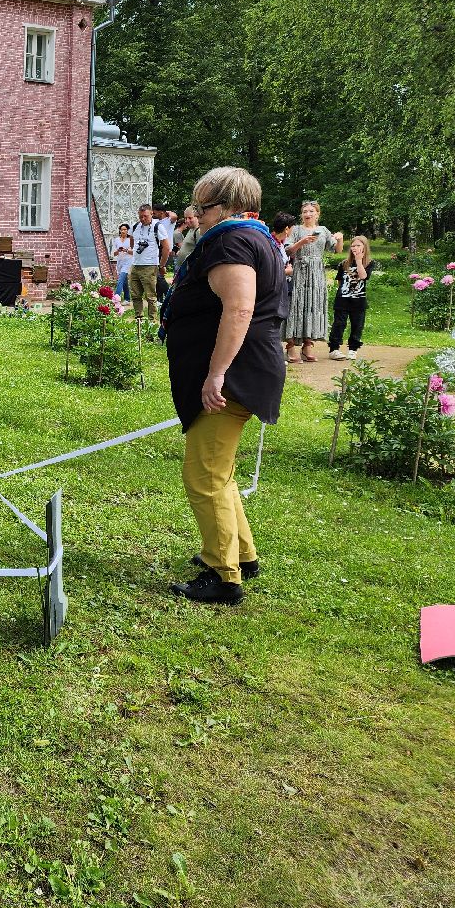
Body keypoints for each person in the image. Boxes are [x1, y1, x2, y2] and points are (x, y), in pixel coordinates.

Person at [163, 166, 289, 605]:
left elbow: (239, 310)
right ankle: (243, 555)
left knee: (204, 475)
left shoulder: (233, 240)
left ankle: (224, 575)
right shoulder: (254, 237)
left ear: (230, 206)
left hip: (235, 372)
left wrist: (216, 374)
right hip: (246, 367)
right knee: (221, 469)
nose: (196, 215)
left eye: (204, 207)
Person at [282, 200, 343, 364]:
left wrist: (340, 238)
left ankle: (308, 344)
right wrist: (303, 242)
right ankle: (291, 345)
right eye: (305, 211)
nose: (308, 214)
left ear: (317, 214)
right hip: (299, 270)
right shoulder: (296, 230)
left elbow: (336, 250)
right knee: (296, 304)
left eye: (311, 211)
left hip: (317, 273)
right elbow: (287, 250)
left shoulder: (323, 230)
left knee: (313, 305)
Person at [329, 235, 375, 360]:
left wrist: (359, 261)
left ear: (364, 248)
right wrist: (344, 292)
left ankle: (353, 349)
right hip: (343, 299)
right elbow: (339, 281)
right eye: (353, 246)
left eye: (358, 245)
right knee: (339, 324)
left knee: (357, 325)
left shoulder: (369, 263)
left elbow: (363, 276)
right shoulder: (344, 264)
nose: (355, 248)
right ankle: (334, 348)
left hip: (359, 300)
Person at [127, 204, 170, 322]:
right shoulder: (135, 226)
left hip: (149, 265)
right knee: (135, 295)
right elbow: (131, 239)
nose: (142, 219)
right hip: (135, 264)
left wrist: (162, 265)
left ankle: (151, 323)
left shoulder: (158, 226)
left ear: (151, 213)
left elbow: (166, 248)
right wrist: (134, 250)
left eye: (145, 216)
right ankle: (139, 321)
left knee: (150, 296)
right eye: (140, 217)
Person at [112, 223, 134, 300]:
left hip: (128, 262)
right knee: (124, 282)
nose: (123, 231)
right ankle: (127, 299)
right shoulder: (116, 240)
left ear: (128, 230)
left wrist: (126, 250)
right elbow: (114, 254)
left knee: (120, 280)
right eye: (121, 230)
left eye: (125, 229)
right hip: (119, 263)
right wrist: (118, 250)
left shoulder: (131, 239)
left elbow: (134, 253)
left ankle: (115, 298)